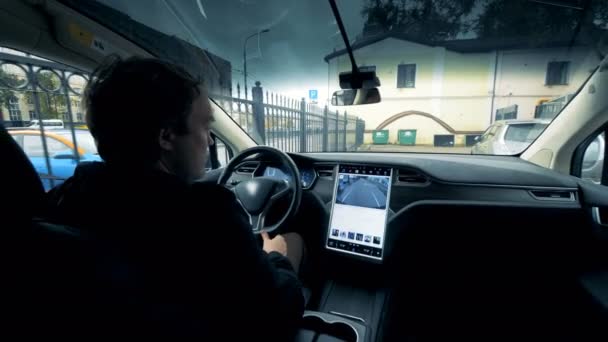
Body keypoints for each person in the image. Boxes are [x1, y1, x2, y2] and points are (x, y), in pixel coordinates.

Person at [46, 56, 305, 340]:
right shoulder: (206, 214)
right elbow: (277, 312)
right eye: (205, 126)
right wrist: (276, 257)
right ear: (167, 136)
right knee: (292, 241)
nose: (209, 140)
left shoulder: (63, 200)